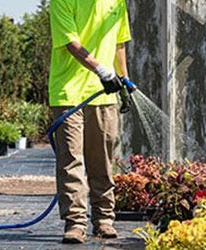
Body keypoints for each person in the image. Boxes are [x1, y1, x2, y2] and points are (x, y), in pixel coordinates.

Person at [48, 0, 131, 243]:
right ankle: (75, 222)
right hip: (68, 92)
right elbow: (71, 43)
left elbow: (119, 41)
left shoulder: (117, 1)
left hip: (104, 94)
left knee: (102, 159)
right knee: (71, 158)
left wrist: (124, 80)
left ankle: (104, 219)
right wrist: (102, 70)